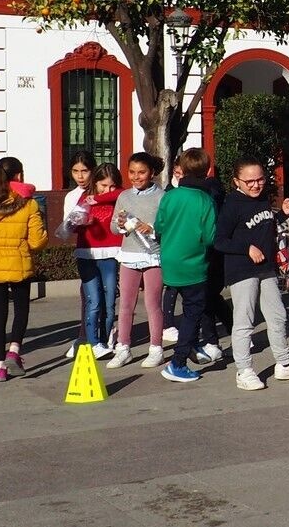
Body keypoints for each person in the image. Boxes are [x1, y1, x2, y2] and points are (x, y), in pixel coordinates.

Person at [216, 158, 289, 390]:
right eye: (249, 181)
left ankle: (284, 363)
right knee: (244, 322)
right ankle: (244, 370)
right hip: (242, 270)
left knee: (277, 315)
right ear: (236, 181)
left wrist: (281, 215)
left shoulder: (263, 200)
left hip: (266, 269)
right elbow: (219, 240)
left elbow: (262, 225)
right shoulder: (232, 205)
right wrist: (246, 248)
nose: (256, 185)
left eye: (260, 179)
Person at [0, 157, 49, 381]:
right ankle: (14, 351)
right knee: (21, 310)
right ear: (19, 176)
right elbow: (37, 242)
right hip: (18, 264)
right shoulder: (29, 204)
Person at [156, 148, 218, 384]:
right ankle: (178, 362)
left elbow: (159, 227)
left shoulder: (170, 196)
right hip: (194, 264)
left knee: (180, 303)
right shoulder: (205, 200)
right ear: (207, 171)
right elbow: (210, 237)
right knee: (193, 312)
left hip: (170, 262)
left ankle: (190, 347)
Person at [110, 153, 166, 369]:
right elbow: (114, 227)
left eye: (141, 172)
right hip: (129, 255)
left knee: (152, 303)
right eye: (132, 172)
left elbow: (166, 227)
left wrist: (151, 228)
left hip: (153, 255)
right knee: (125, 303)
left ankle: (156, 348)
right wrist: (122, 224)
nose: (136, 176)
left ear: (151, 173)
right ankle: (123, 347)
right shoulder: (124, 196)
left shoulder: (162, 196)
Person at [67, 164, 122, 359]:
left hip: (110, 254)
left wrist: (98, 197)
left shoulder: (118, 197)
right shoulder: (84, 200)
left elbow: (121, 193)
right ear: (95, 182)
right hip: (87, 254)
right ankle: (93, 342)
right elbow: (70, 226)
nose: (107, 190)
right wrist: (80, 223)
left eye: (112, 186)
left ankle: (105, 339)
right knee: (94, 301)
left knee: (109, 301)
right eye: (103, 185)